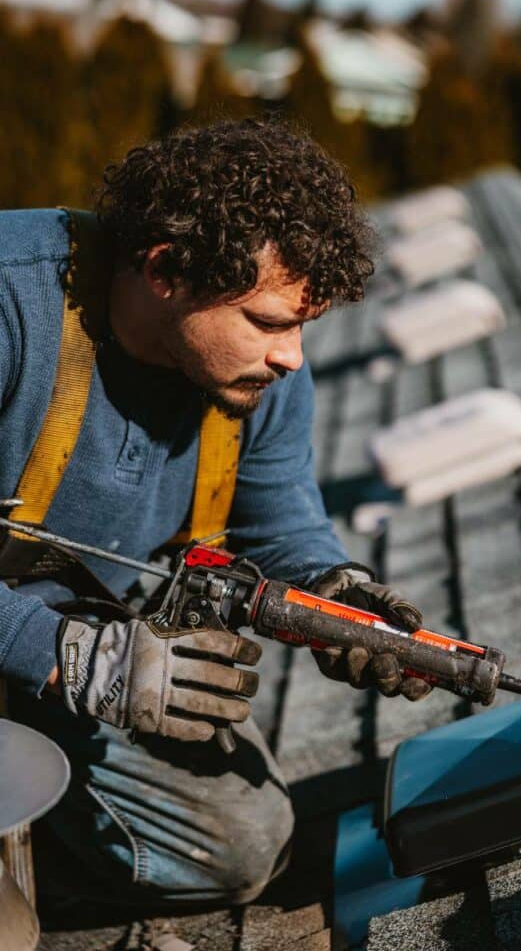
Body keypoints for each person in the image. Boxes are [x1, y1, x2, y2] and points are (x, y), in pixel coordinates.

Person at [0, 118, 430, 908]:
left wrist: (332, 593)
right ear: (166, 269)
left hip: (69, 637)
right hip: (42, 640)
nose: (292, 356)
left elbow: (279, 523)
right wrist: (60, 653)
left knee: (239, 844)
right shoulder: (10, 304)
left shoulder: (257, 378)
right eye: (269, 323)